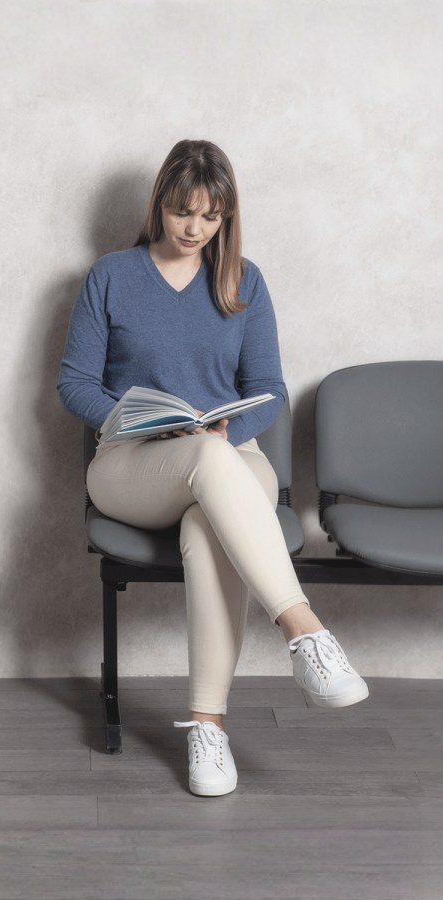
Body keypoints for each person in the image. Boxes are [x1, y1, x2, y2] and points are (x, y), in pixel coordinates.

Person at [57, 139, 368, 797]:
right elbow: (74, 385)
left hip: (230, 456)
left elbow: (269, 389)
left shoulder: (243, 280)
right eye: (180, 213)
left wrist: (232, 426)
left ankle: (207, 729)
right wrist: (140, 419)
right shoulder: (111, 276)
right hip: (130, 463)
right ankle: (305, 634)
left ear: (226, 216)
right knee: (204, 457)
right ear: (159, 207)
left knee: (209, 523)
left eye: (209, 217)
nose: (193, 229)